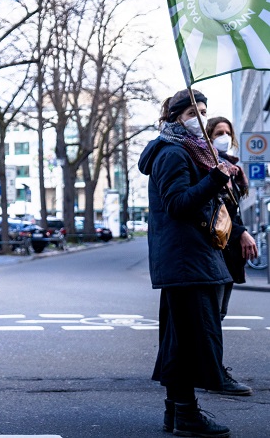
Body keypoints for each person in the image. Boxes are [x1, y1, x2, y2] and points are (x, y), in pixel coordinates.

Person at [138, 89, 232, 438]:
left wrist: (217, 179)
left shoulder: (187, 151)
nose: (202, 118)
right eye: (195, 111)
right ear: (177, 114)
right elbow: (178, 204)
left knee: (181, 341)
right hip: (186, 259)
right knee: (192, 341)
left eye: (205, 111)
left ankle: (176, 414)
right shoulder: (173, 153)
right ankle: (187, 415)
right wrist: (214, 180)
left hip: (187, 260)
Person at [205, 116, 256, 396]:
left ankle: (210, 370)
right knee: (212, 315)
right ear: (209, 136)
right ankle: (213, 373)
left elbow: (231, 211)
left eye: (227, 132)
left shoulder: (233, 168)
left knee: (218, 314)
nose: (223, 136)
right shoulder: (209, 165)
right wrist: (242, 232)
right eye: (218, 132)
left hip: (228, 249)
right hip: (217, 248)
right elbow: (216, 211)